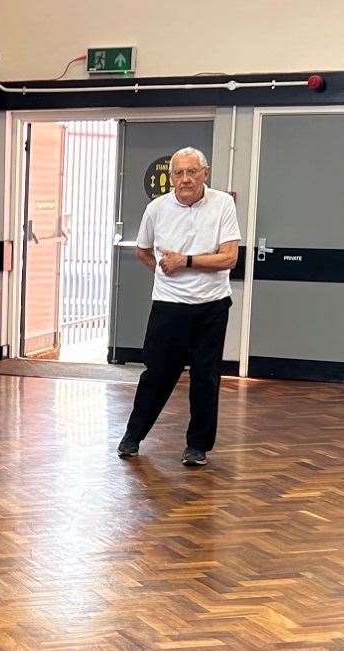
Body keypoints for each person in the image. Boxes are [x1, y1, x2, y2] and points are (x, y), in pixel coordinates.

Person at [117, 147, 241, 466]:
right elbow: (144, 252)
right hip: (168, 305)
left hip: (211, 306)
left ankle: (197, 446)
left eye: (191, 172)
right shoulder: (156, 208)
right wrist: (165, 273)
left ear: (205, 173)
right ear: (171, 177)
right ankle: (133, 436)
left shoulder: (222, 204)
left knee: (205, 377)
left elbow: (229, 257)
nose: (184, 179)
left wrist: (185, 261)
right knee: (156, 374)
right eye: (178, 173)